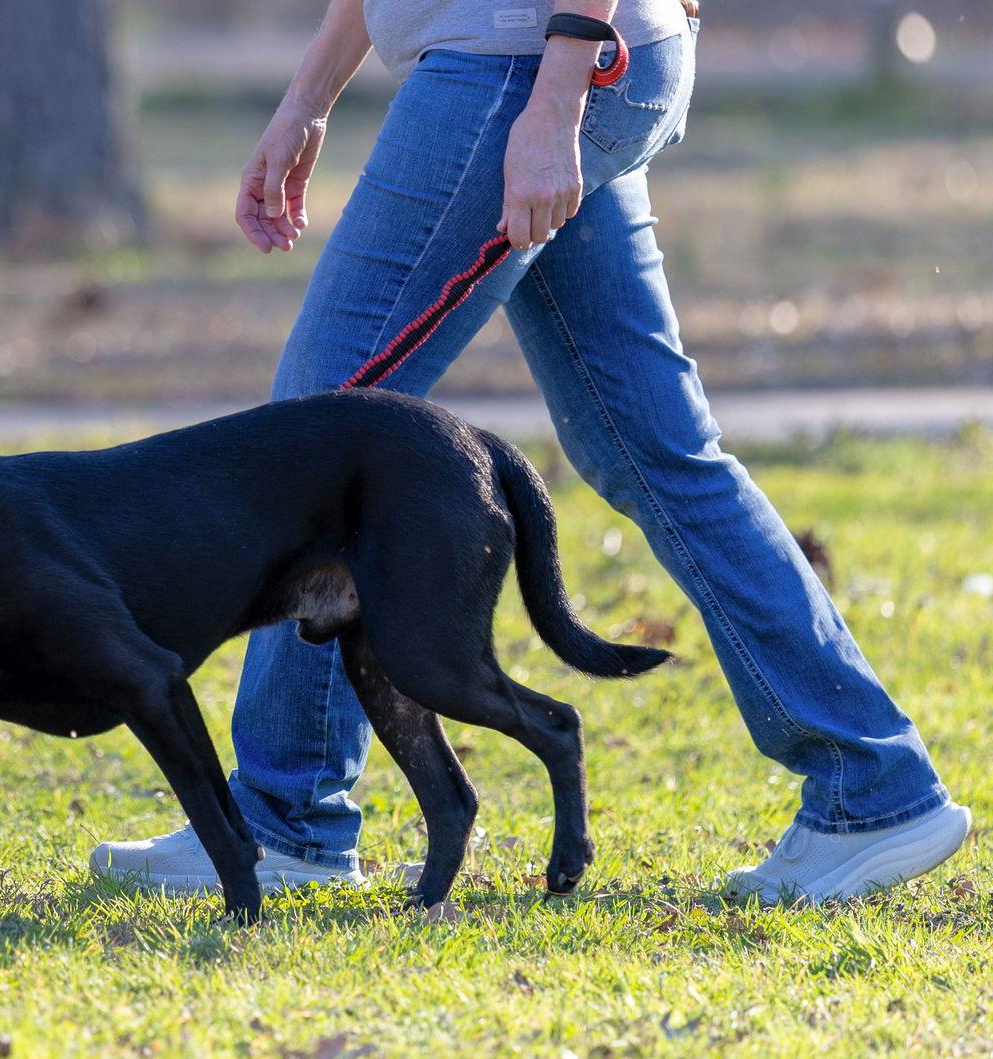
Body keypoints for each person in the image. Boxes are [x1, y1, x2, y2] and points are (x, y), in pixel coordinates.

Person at [91, 0, 970, 903]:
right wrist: (307, 99)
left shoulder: (538, 78)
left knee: (318, 428)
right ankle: (874, 784)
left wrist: (554, 98)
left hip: (522, 64)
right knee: (654, 448)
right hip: (557, 62)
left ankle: (288, 814)